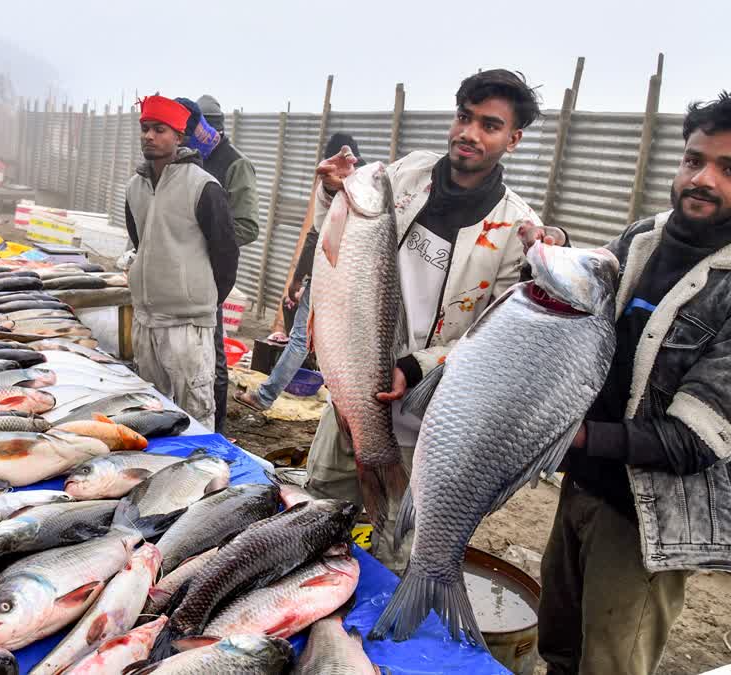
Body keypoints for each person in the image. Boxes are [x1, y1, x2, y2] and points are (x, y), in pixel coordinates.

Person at [522, 92, 731, 675]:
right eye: (694, 160)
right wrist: (553, 248)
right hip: (581, 488)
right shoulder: (644, 239)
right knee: (557, 647)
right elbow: (589, 314)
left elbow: (696, 441)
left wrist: (570, 436)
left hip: (647, 521)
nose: (702, 179)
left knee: (609, 664)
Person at [305, 70, 547, 567]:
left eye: (489, 125)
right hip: (352, 389)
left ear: (513, 139)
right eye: (463, 117)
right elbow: (338, 241)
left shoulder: (515, 230)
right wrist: (332, 191)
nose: (469, 133)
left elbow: (494, 338)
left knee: (395, 548)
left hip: (429, 420)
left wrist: (419, 366)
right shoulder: (406, 175)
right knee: (315, 515)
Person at [124, 94, 239, 430]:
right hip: (146, 318)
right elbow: (140, 242)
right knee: (154, 410)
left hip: (187, 324)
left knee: (195, 412)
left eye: (159, 129)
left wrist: (202, 299)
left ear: (179, 136)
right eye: (145, 128)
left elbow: (226, 253)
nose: (149, 136)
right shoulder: (135, 188)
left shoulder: (203, 187)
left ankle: (199, 473)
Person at [234, 132, 364, 413]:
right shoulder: (366, 189)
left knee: (300, 340)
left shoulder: (332, 191)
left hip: (329, 278)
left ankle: (264, 396)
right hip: (357, 283)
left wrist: (296, 281)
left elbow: (316, 238)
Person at [176, 95, 259, 434]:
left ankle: (217, 430)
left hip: (210, 271)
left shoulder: (235, 165)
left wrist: (205, 238)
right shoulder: (185, 159)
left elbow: (248, 226)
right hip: (177, 270)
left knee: (212, 353)